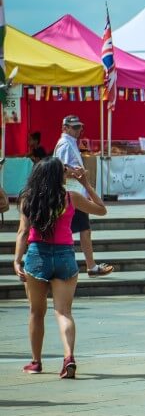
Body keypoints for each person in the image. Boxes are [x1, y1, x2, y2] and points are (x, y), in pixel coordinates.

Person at [13, 159, 107, 378]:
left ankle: (36, 362)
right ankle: (68, 357)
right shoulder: (71, 197)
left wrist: (17, 260)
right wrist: (86, 184)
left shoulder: (29, 198)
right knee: (63, 312)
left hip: (37, 256)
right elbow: (102, 210)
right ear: (57, 176)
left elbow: (23, 232)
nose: (67, 173)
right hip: (65, 256)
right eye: (64, 171)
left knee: (36, 312)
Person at [52, 116, 113, 277]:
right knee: (81, 229)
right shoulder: (66, 144)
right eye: (74, 127)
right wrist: (78, 174)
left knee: (82, 229)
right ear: (65, 128)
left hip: (74, 192)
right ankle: (89, 266)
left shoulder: (69, 142)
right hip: (72, 193)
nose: (78, 130)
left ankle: (89, 266)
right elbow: (60, 169)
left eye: (79, 127)